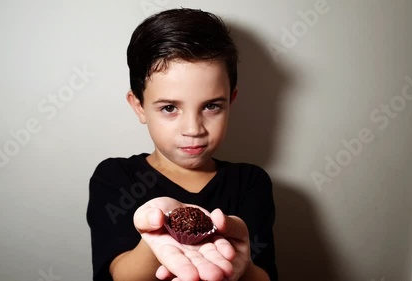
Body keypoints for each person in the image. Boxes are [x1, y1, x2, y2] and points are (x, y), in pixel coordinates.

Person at [87, 8, 278, 281]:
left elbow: (264, 276)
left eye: (211, 106)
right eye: (169, 108)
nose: (193, 129)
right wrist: (158, 236)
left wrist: (241, 264)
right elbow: (119, 274)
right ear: (139, 106)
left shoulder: (250, 182)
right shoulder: (115, 178)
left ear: (231, 101)